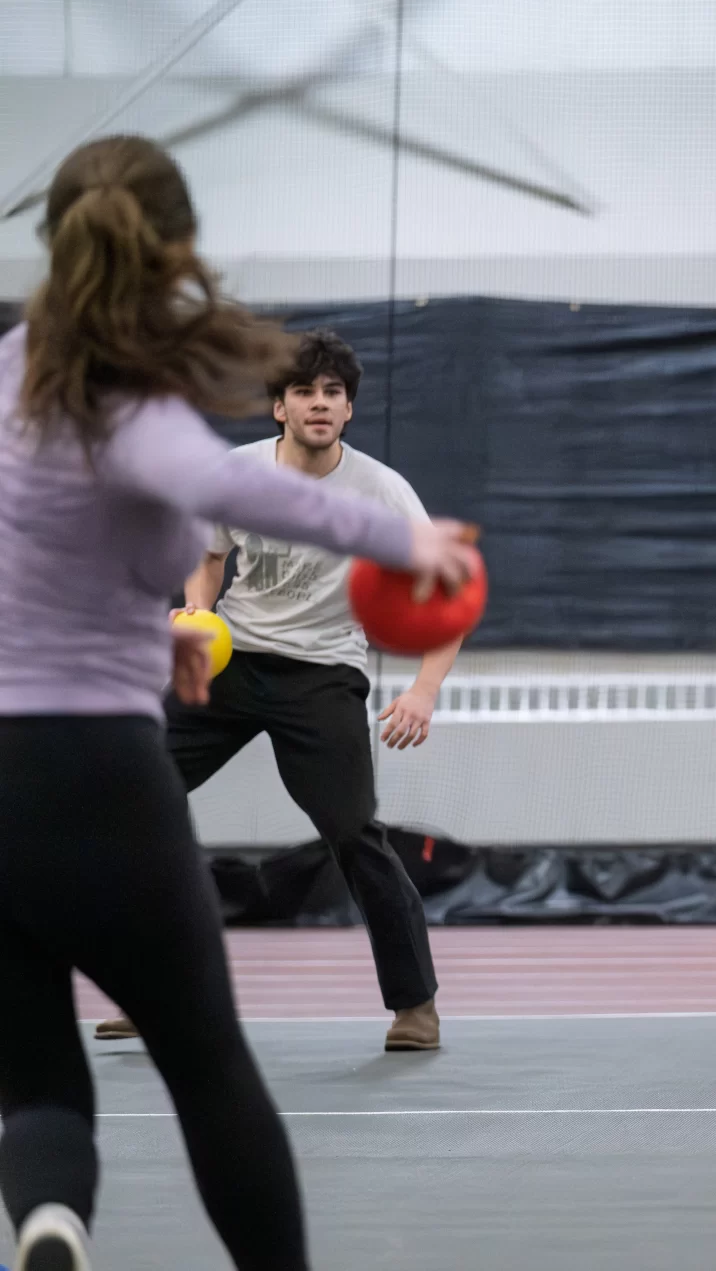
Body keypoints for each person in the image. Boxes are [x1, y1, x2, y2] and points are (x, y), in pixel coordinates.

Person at [0, 135, 477, 1271]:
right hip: (98, 767)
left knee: (33, 1076)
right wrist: (406, 541)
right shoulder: (130, 395)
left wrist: (161, 627)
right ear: (173, 247)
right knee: (209, 1064)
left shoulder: (13, 371)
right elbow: (218, 486)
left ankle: (52, 1220)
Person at [93, 329, 456, 1054]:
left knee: (354, 833)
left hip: (322, 674)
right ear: (278, 407)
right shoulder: (236, 474)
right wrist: (198, 614)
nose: (320, 405)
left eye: (333, 395)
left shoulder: (382, 491)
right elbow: (207, 555)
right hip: (232, 663)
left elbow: (448, 592)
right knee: (131, 803)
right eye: (304, 392)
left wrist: (424, 689)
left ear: (349, 411)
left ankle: (415, 1005)